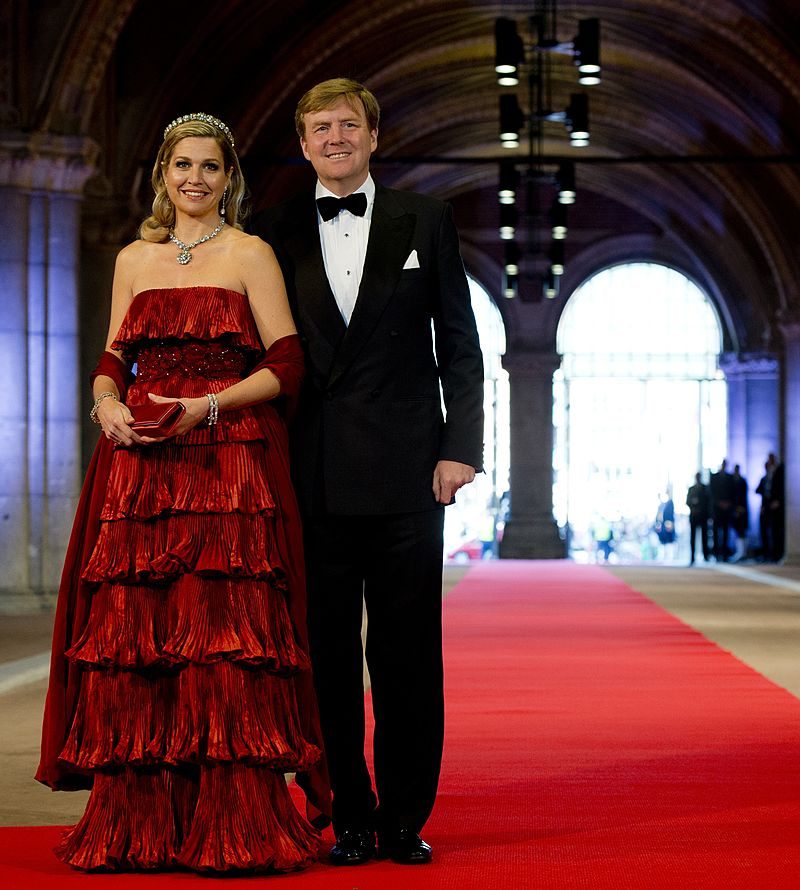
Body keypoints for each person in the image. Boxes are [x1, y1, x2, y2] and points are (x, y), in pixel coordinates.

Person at [35, 113, 330, 874]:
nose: (194, 179)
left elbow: (287, 366)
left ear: (229, 178)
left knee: (223, 644)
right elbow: (112, 358)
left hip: (226, 465)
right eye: (181, 166)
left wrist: (208, 406)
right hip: (141, 469)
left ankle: (232, 825)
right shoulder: (133, 259)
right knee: (139, 639)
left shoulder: (250, 253)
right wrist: (105, 402)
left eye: (209, 167)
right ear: (162, 175)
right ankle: (142, 827)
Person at [251, 78, 484, 867]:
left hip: (410, 474)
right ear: (305, 142)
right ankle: (346, 812)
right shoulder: (271, 230)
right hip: (309, 473)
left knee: (408, 654)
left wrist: (462, 449)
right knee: (324, 658)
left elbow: (461, 347)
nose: (335, 137)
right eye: (320, 127)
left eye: (349, 124)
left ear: (375, 135)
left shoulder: (428, 219)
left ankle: (402, 817)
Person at [709, 459, 734, 562]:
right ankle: (716, 554)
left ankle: (724, 554)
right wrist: (719, 503)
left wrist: (727, 503)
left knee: (725, 531)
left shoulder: (730, 478)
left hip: (726, 509)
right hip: (717, 508)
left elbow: (733, 492)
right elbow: (711, 492)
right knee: (715, 531)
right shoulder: (714, 477)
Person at [685, 472, 710, 565]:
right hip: (694, 516)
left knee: (704, 537)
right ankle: (692, 557)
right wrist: (693, 508)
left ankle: (706, 556)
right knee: (693, 537)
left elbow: (708, 502)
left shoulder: (705, 488)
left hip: (703, 515)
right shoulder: (691, 489)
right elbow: (687, 501)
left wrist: (701, 510)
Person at [731, 464, 749, 561]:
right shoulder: (732, 481)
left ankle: (743, 552)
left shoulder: (742, 481)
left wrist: (740, 507)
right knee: (737, 530)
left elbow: (743, 496)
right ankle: (739, 552)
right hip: (735, 509)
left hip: (742, 509)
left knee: (742, 530)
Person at [653, 490, 677, 560]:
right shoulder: (661, 505)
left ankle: (669, 555)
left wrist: (670, 523)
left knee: (669, 539)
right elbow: (658, 516)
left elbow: (670, 514)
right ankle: (662, 555)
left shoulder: (670, 503)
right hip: (662, 524)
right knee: (662, 539)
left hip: (668, 523)